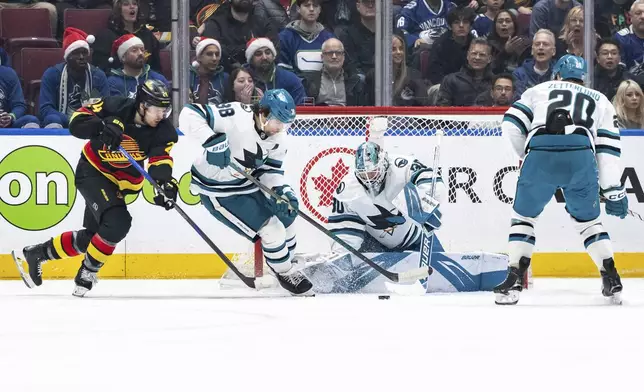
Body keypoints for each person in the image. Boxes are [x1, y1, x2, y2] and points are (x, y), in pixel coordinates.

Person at [11, 80, 178, 297]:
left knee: (94, 239)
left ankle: (37, 253)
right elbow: (76, 122)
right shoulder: (115, 106)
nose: (161, 115)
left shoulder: (163, 130)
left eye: (165, 110)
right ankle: (87, 272)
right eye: (157, 109)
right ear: (142, 105)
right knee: (118, 222)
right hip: (92, 172)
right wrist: (102, 126)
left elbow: (160, 160)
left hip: (122, 184)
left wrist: (164, 184)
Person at [496, 55, 628, 305]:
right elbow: (608, 149)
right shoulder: (600, 99)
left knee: (524, 218)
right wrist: (612, 190)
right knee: (588, 222)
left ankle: (513, 281)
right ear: (583, 78)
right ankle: (611, 277)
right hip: (580, 157)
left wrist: (525, 155)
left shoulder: (538, 90)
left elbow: (511, 124)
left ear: (556, 74)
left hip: (540, 153)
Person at [178, 89, 314, 296]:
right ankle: (285, 272)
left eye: (286, 124)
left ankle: (287, 263)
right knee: (272, 230)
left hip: (246, 184)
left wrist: (282, 192)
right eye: (279, 122)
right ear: (264, 113)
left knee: (288, 218)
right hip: (218, 191)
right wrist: (211, 140)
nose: (281, 128)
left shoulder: (279, 138)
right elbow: (188, 113)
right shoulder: (234, 115)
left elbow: (270, 171)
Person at [327, 117, 446, 256]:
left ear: (383, 163)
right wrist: (342, 257)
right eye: (364, 175)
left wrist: (426, 203)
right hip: (374, 245)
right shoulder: (347, 189)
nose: (368, 178)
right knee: (350, 268)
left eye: (372, 172)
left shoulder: (402, 166)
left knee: (443, 274)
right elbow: (345, 230)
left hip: (417, 239)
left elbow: (433, 183)